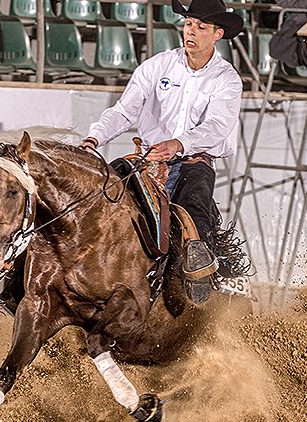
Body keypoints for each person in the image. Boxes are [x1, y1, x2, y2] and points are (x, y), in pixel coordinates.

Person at [80, 0, 245, 304]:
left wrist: (179, 143)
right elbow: (123, 111)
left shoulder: (226, 79)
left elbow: (218, 126)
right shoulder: (157, 66)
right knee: (106, 204)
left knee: (196, 209)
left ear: (217, 34)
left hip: (194, 162)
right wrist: (94, 138)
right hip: (149, 161)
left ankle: (202, 282)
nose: (191, 31)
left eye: (201, 27)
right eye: (189, 24)